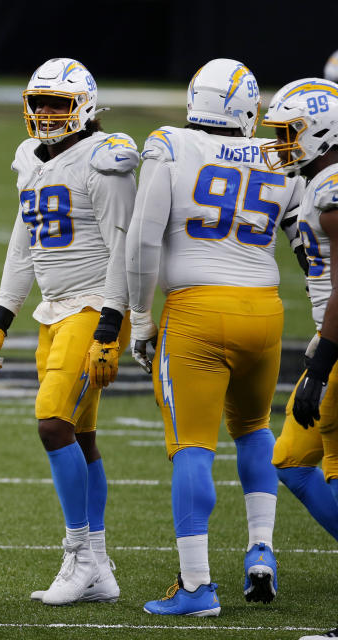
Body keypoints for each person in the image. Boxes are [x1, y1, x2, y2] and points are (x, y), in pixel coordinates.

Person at [125, 58, 305, 616]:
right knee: (254, 428)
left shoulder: (169, 144)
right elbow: (307, 243)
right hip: (264, 309)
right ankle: (261, 550)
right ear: (250, 110)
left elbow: (142, 241)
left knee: (193, 447)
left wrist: (139, 317)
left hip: (197, 312)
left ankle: (198, 586)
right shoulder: (282, 153)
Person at [0, 57, 138, 606]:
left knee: (51, 425)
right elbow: (24, 243)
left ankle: (82, 555)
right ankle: (99, 567)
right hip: (55, 309)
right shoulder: (31, 157)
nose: (45, 114)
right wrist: (0, 319)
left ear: (85, 107)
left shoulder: (104, 159)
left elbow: (125, 250)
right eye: (38, 102)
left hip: (94, 305)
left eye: (57, 104)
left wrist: (112, 327)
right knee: (81, 435)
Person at [260, 78, 338, 640]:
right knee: (289, 459)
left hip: (337, 346)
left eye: (289, 134)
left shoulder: (333, 187)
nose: (282, 146)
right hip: (329, 339)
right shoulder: (316, 182)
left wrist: (321, 361)